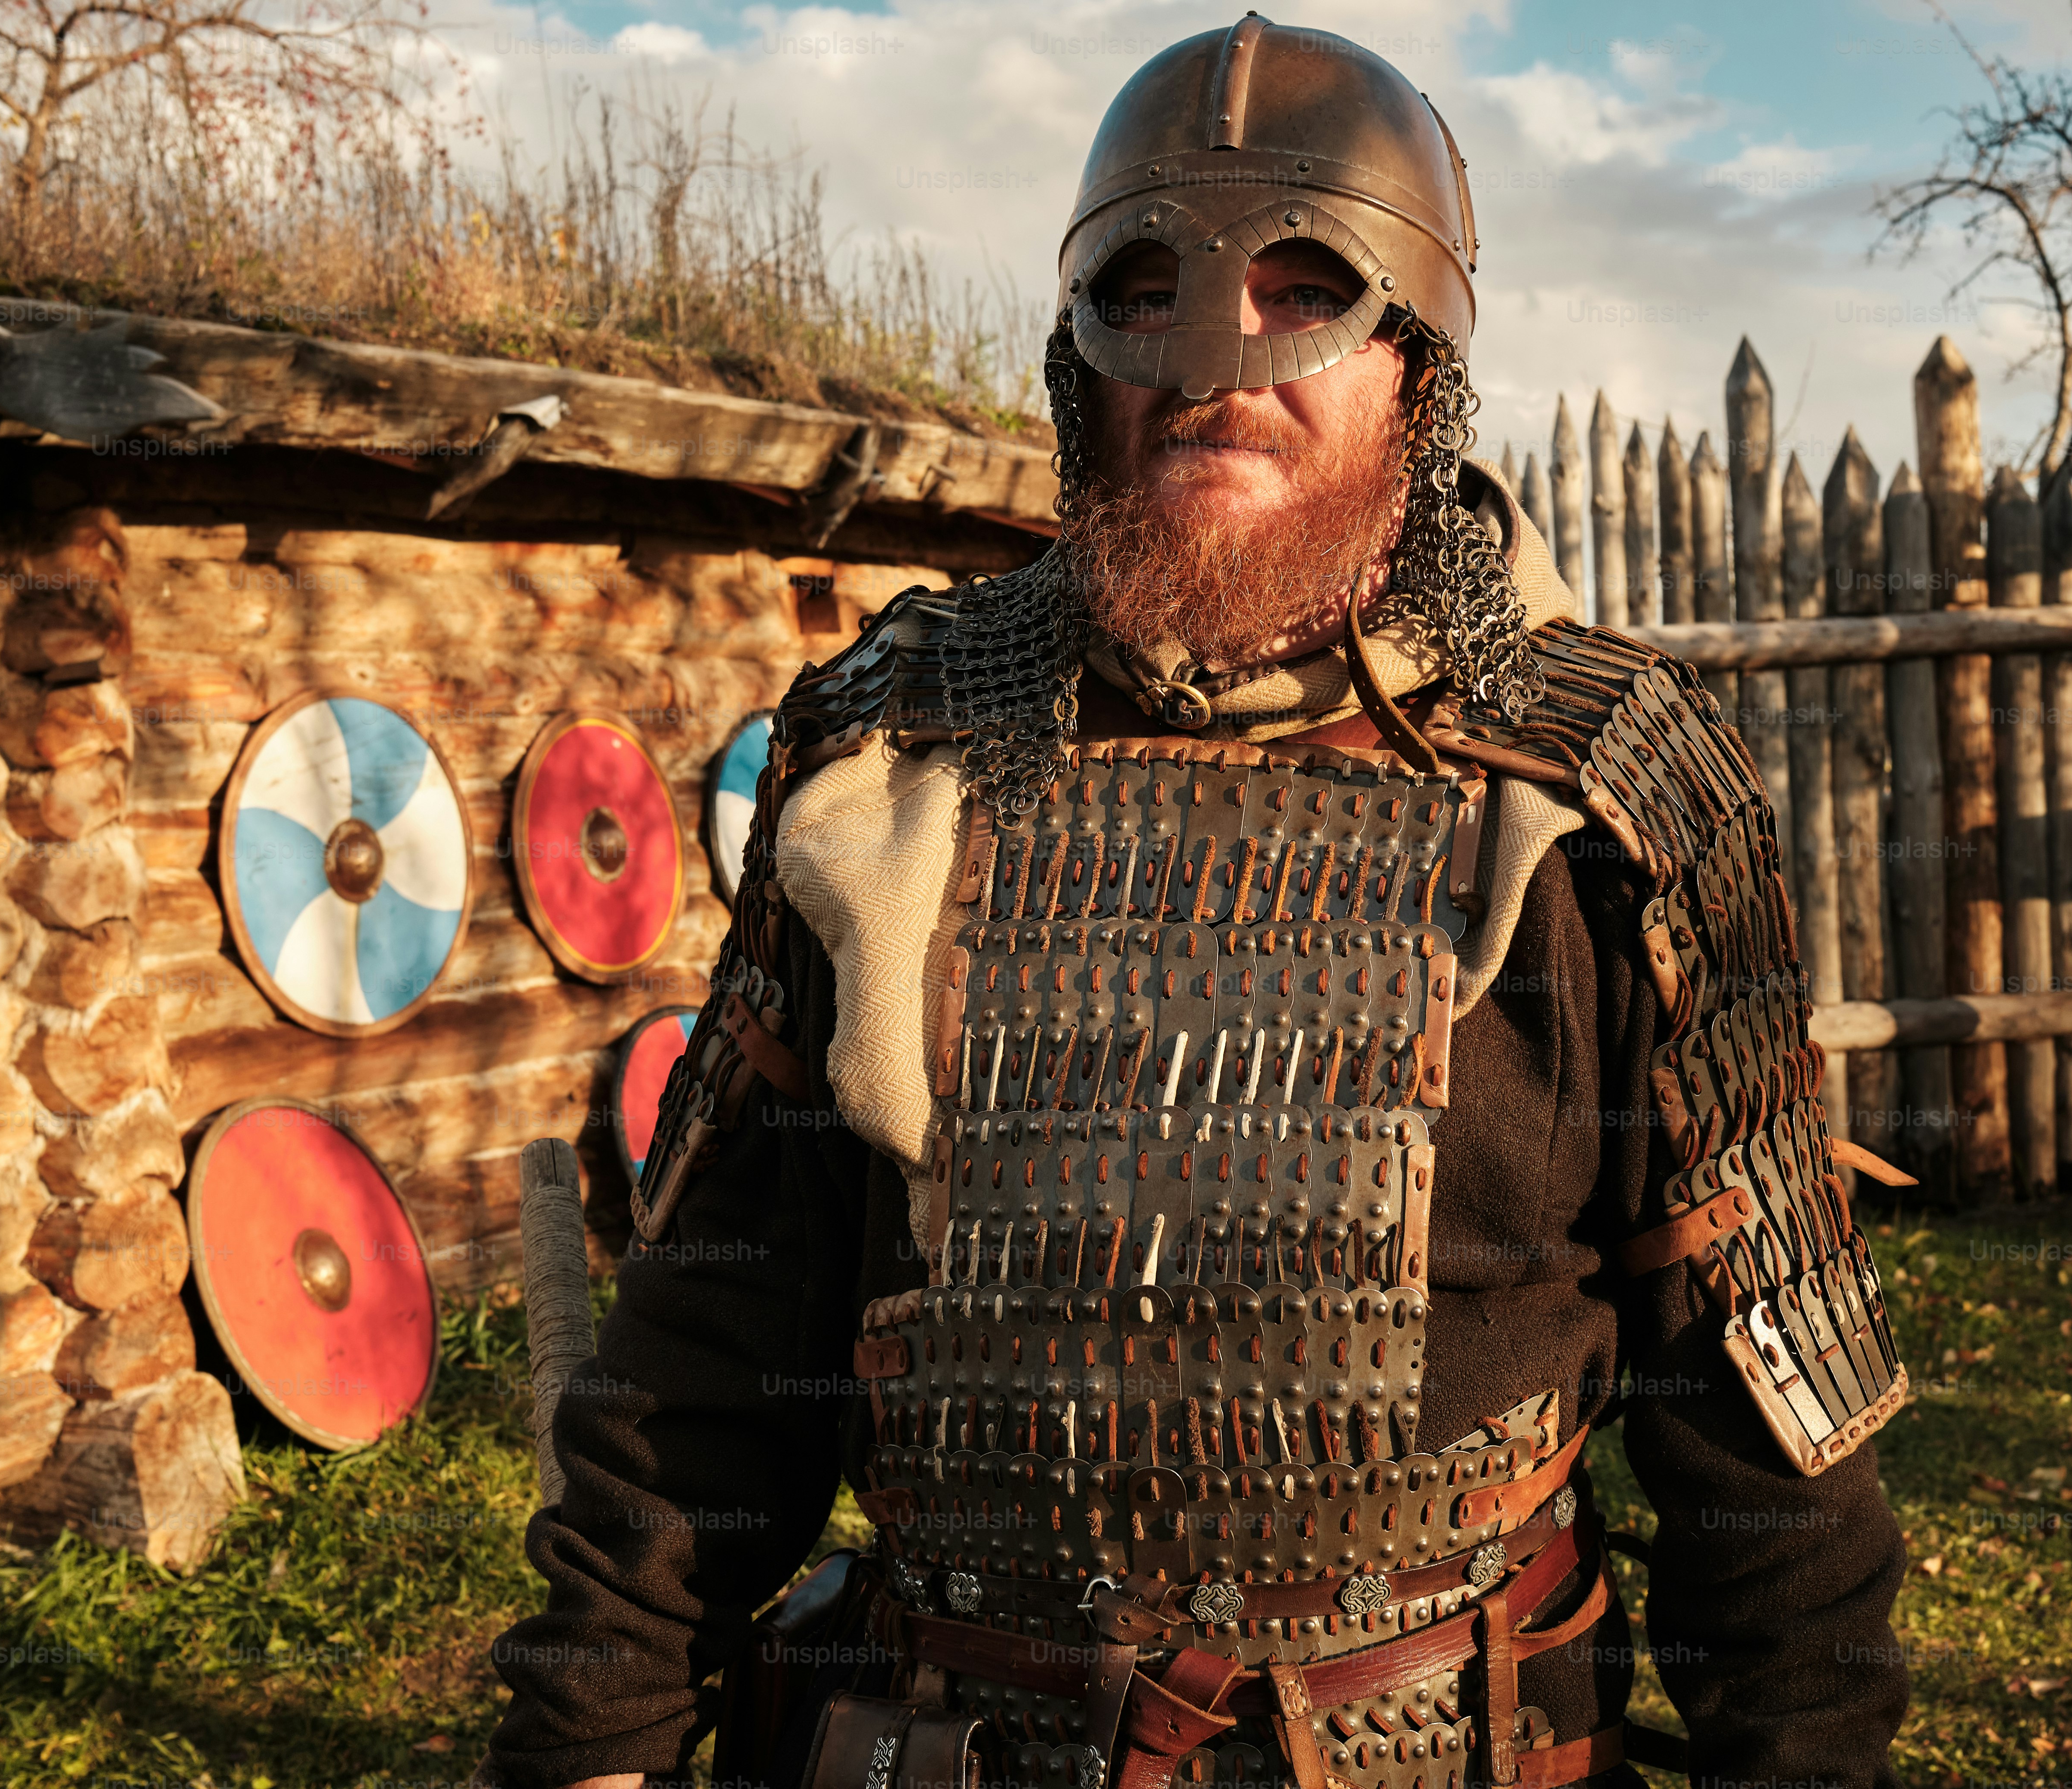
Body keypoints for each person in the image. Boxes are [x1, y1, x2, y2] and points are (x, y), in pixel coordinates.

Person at [478, 18, 1914, 1789]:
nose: (1215, 358)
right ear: (1082, 352)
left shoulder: (1607, 790)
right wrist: (592, 1743)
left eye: (1304, 287)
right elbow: (708, 1355)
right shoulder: (886, 751)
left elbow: (1769, 1464)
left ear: (1418, 357)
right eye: (1145, 288)